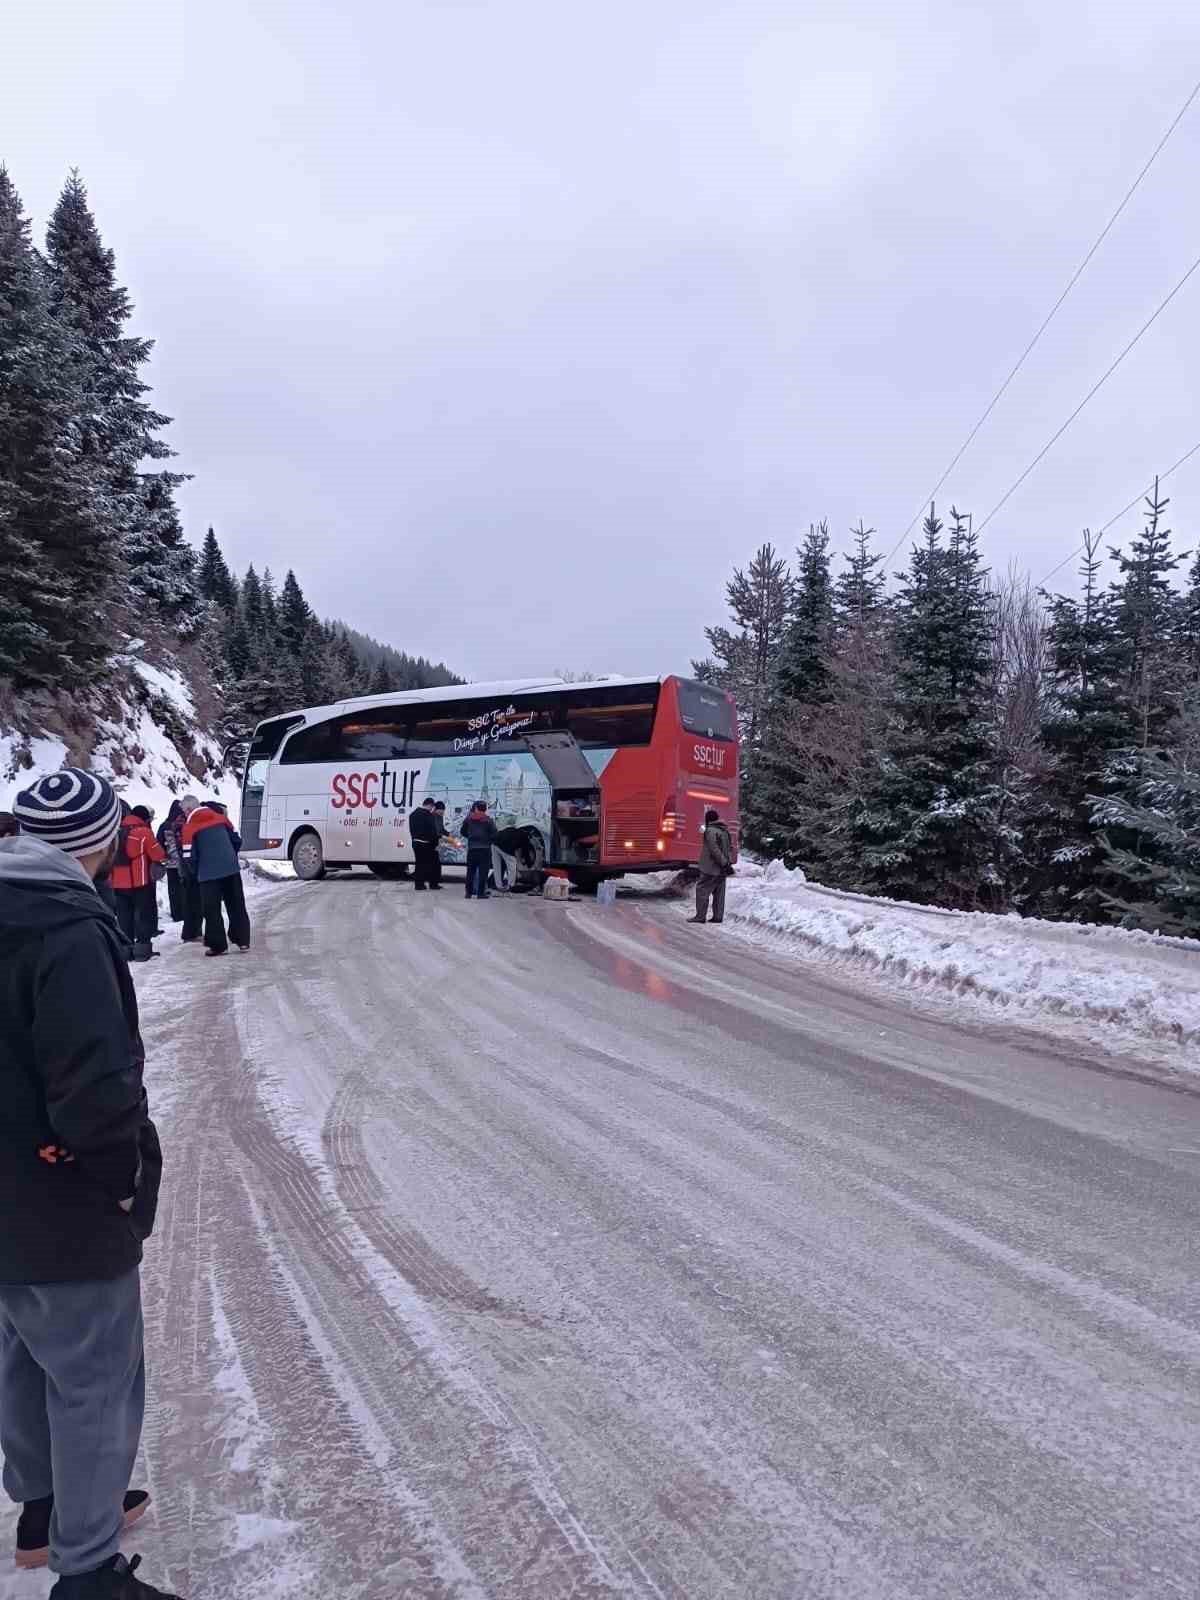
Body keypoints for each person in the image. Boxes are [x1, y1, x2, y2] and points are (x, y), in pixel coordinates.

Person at [0, 769, 180, 1599]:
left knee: (24, 1355)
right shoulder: (69, 929)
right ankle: (89, 1568)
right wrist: (123, 1183)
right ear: (98, 844)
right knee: (95, 1380)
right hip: (60, 1201)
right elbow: (97, 1089)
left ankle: (44, 1512)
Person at [180, 798, 249, 957]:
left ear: (189, 809)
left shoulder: (189, 828)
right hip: (231, 868)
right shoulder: (221, 818)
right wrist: (230, 857)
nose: (184, 815)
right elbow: (236, 841)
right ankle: (242, 939)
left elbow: (189, 856)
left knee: (211, 910)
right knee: (236, 904)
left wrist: (196, 872)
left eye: (184, 811)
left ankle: (218, 945)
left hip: (208, 873)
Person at [110, 807, 165, 963]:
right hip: (140, 881)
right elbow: (158, 854)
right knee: (143, 914)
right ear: (144, 818)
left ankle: (126, 951)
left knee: (123, 917)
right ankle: (142, 950)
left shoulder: (116, 832)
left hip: (119, 882)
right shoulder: (143, 832)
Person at [690, 808, 733, 925]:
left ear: (707, 819)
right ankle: (718, 916)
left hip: (711, 867)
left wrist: (723, 863)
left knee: (702, 889)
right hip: (723, 868)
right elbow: (730, 849)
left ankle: (700, 916)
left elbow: (714, 850)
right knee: (719, 892)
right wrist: (728, 864)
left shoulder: (710, 831)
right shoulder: (725, 831)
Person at [173, 798, 203, 944]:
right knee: (192, 901)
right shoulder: (182, 825)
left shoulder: (182, 823)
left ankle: (194, 931)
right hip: (189, 869)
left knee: (194, 900)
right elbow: (186, 850)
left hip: (189, 867)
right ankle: (191, 933)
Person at [460, 800, 498, 900]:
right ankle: (481, 894)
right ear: (485, 809)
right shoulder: (489, 820)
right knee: (483, 872)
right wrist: (488, 841)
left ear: (476, 808)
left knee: (470, 872)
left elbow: (462, 831)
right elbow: (495, 834)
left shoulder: (468, 819)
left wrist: (471, 837)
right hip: (485, 850)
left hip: (472, 849)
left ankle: (468, 893)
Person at [156, 802, 186, 923]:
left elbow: (159, 842)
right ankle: (181, 913)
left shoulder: (165, 826)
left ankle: (179, 913)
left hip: (176, 864)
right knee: (179, 889)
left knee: (177, 890)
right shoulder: (170, 826)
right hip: (178, 863)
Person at [407, 797, 440, 890]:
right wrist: (435, 843)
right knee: (427, 865)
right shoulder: (428, 816)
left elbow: (411, 830)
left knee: (419, 864)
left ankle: (418, 884)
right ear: (430, 805)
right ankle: (425, 884)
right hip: (425, 844)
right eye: (432, 807)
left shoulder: (412, 814)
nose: (432, 809)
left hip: (415, 842)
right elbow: (432, 831)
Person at [431, 800, 449, 889]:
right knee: (434, 863)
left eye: (443, 810)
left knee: (436, 863)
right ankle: (434, 883)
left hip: (438, 842)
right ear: (437, 809)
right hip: (433, 842)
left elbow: (441, 828)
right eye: (442, 810)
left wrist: (447, 833)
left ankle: (435, 881)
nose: (443, 812)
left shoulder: (440, 817)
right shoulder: (432, 817)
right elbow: (436, 831)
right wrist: (442, 836)